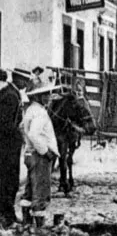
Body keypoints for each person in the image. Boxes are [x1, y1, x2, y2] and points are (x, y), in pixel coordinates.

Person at [20, 80, 60, 228]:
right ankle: (39, 228)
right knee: (41, 192)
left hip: (30, 154)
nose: (49, 98)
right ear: (37, 97)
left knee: (30, 190)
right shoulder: (40, 113)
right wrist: (46, 151)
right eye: (45, 95)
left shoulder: (30, 110)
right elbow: (34, 134)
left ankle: (26, 223)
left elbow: (22, 129)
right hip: (39, 156)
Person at [0, 69, 23, 228]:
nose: (27, 84)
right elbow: (5, 124)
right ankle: (7, 216)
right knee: (9, 180)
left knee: (9, 180)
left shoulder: (11, 93)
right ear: (19, 80)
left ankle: (7, 214)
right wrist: (19, 132)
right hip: (7, 146)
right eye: (26, 81)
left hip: (8, 144)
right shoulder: (10, 96)